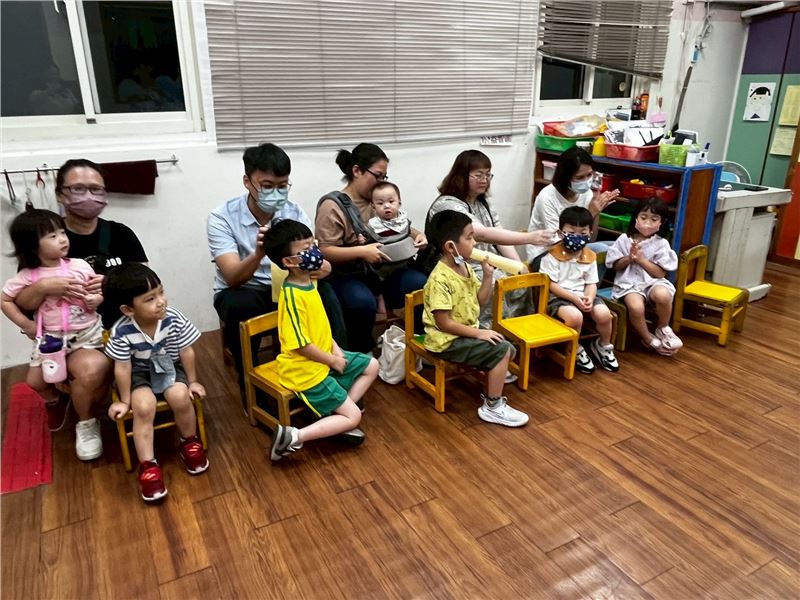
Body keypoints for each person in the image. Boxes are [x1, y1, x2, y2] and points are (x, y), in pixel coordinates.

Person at [12, 158, 149, 460]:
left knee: (93, 370)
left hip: (112, 330)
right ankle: (68, 405)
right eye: (78, 189)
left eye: (96, 189)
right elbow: (21, 301)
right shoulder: (43, 241)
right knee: (43, 381)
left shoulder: (120, 234)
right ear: (60, 194)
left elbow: (147, 284)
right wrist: (44, 287)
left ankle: (85, 415)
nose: (88, 196)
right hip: (60, 333)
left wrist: (110, 285)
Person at [207, 142, 344, 400]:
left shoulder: (293, 212)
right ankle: (252, 389)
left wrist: (322, 266)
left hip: (289, 285)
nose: (277, 193)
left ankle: (336, 369)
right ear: (247, 182)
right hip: (245, 289)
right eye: (267, 186)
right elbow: (233, 277)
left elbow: (319, 262)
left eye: (282, 186)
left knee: (326, 293)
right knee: (240, 306)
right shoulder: (222, 217)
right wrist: (259, 253)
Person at [261, 220, 379, 461]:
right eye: (305, 250)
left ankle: (333, 415)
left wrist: (336, 350)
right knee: (354, 417)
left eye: (312, 245)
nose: (314, 252)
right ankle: (293, 436)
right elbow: (301, 345)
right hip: (305, 370)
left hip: (325, 357)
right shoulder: (292, 296)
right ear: (289, 262)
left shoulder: (309, 282)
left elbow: (321, 326)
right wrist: (332, 360)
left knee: (372, 365)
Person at [1, 209, 105, 459]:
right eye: (52, 236)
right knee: (35, 382)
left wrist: (96, 299)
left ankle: (87, 422)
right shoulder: (28, 276)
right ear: (32, 246)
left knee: (88, 372)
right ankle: (57, 400)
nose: (62, 239)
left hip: (86, 335)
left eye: (61, 232)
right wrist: (25, 324)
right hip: (50, 340)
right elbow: (5, 299)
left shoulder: (79, 265)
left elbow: (98, 291)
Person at [103, 263, 208, 502]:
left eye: (161, 292)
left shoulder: (173, 318)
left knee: (180, 397)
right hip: (139, 374)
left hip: (169, 367)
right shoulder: (121, 331)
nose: (161, 301)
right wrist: (125, 401)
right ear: (128, 309)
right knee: (143, 407)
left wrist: (193, 382)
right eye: (150, 299)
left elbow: (186, 351)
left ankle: (189, 442)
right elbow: (122, 367)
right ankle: (148, 465)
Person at [316, 143, 427, 352]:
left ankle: (420, 344)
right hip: (349, 275)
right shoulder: (333, 206)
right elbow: (325, 250)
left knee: (420, 283)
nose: (381, 182)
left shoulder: (380, 200)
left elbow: (400, 225)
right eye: (378, 175)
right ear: (356, 171)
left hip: (384, 271)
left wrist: (419, 236)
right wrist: (361, 251)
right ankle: (361, 352)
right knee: (361, 302)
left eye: (384, 177)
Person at [422, 210, 528, 426]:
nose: (475, 243)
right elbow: (443, 323)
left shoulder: (465, 267)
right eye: (470, 238)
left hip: (465, 330)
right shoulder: (439, 279)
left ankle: (494, 376)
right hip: (445, 341)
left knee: (507, 347)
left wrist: (488, 276)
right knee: (502, 350)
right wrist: (479, 333)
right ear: (450, 246)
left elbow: (480, 300)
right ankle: (493, 406)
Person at [426, 149, 555, 327]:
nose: (484, 180)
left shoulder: (482, 202)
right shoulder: (447, 204)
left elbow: (499, 236)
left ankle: (517, 331)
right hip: (459, 263)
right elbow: (482, 233)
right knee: (495, 283)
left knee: (521, 278)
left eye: (488, 175)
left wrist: (518, 265)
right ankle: (489, 331)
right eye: (478, 175)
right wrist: (530, 237)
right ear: (461, 176)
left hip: (487, 260)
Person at [539, 206, 619, 374]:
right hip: (558, 298)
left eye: (582, 233)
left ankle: (603, 346)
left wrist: (589, 297)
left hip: (583, 295)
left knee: (604, 315)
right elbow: (551, 285)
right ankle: (575, 348)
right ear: (561, 233)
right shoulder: (551, 256)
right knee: (575, 317)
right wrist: (575, 299)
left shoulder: (589, 256)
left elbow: (591, 283)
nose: (577, 236)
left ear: (590, 233)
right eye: (571, 232)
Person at [606, 198, 682, 355]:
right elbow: (615, 266)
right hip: (628, 284)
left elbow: (660, 273)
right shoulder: (624, 239)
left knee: (663, 295)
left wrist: (641, 260)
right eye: (643, 217)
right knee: (636, 307)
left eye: (654, 219)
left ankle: (663, 327)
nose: (647, 223)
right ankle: (647, 338)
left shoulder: (661, 243)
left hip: (652, 281)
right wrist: (629, 258)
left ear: (661, 222)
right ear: (636, 217)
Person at [526, 146, 620, 269]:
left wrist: (597, 212)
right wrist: (590, 214)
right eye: (579, 177)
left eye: (589, 175)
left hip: (577, 249)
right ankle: (586, 281)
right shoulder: (547, 197)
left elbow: (591, 239)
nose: (586, 181)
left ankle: (588, 281)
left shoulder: (587, 193)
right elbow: (561, 243)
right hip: (546, 254)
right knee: (601, 250)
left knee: (615, 248)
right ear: (565, 177)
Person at [363, 181, 426, 314]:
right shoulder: (372, 227)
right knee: (371, 277)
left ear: (399, 202)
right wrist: (362, 240)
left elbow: (411, 234)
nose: (386, 206)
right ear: (373, 206)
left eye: (391, 201)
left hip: (405, 263)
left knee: (422, 273)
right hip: (382, 269)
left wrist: (420, 238)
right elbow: (366, 244)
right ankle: (379, 298)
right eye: (380, 203)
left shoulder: (403, 221)